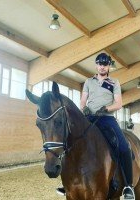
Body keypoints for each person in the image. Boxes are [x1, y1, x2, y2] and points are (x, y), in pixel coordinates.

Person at [56, 53, 135, 200]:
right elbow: (83, 101)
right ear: (96, 65)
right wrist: (84, 108)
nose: (102, 67)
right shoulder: (88, 82)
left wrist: (106, 109)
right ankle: (67, 182)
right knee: (69, 142)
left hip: (106, 118)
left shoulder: (114, 82)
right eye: (100, 64)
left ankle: (128, 186)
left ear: (108, 66)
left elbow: (118, 104)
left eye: (105, 64)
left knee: (124, 147)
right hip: (88, 118)